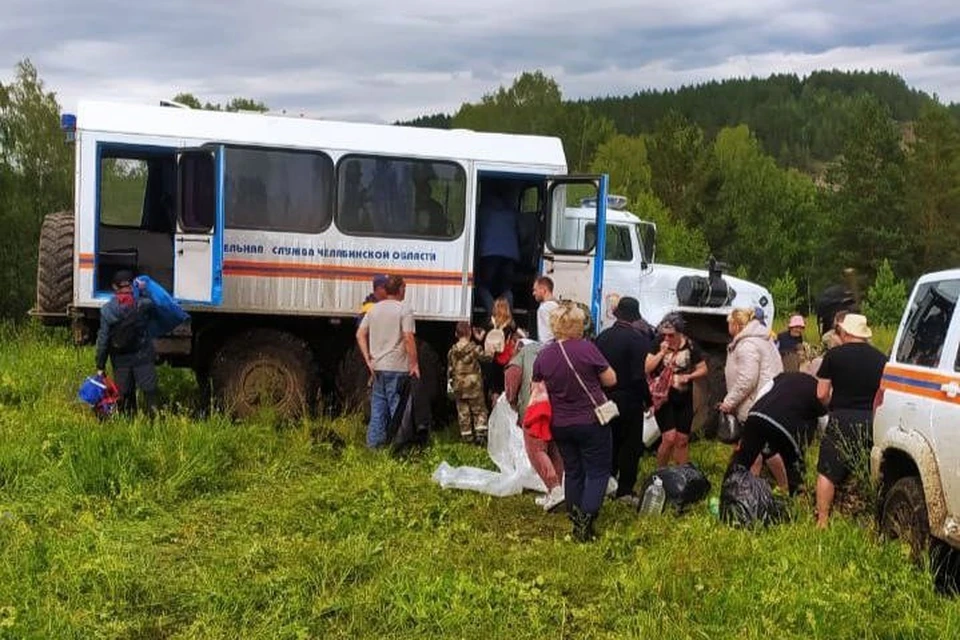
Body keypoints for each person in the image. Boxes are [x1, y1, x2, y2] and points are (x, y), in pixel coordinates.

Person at [533, 302, 617, 542]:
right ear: (579, 325)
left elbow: (537, 386)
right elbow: (611, 379)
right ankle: (585, 523)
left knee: (573, 471)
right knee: (597, 471)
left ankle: (575, 514)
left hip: (559, 423)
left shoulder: (545, 354)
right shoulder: (587, 348)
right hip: (591, 420)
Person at [814, 313, 887, 528]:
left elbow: (821, 393)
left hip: (841, 417)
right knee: (867, 469)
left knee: (827, 470)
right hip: (869, 419)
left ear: (845, 332)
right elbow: (882, 395)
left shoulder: (834, 355)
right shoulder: (881, 359)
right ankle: (869, 518)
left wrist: (831, 404)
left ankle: (823, 520)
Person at [727, 370, 827, 494]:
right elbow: (825, 423)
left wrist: (755, 415)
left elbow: (763, 392)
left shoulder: (784, 376)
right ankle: (793, 498)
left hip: (757, 415)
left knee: (743, 459)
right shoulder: (820, 391)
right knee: (794, 468)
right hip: (786, 428)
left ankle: (732, 494)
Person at [719, 307, 787, 488]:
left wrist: (728, 402)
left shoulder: (747, 345)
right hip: (768, 401)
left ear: (736, 324)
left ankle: (753, 489)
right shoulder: (765, 340)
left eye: (729, 324)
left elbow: (747, 379)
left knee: (757, 449)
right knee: (765, 449)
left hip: (755, 405)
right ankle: (774, 486)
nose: (728, 328)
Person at [594, 297, 653, 505]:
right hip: (630, 399)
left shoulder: (603, 337)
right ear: (635, 316)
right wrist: (648, 399)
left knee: (609, 440)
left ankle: (606, 482)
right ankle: (625, 489)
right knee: (630, 445)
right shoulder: (639, 340)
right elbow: (639, 375)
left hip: (605, 398)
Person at [357, 275, 419, 449]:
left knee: (378, 409)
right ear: (399, 289)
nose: (405, 291)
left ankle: (374, 446)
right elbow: (408, 338)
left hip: (378, 367)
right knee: (397, 408)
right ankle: (398, 447)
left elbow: (360, 334)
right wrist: (414, 364)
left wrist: (368, 359)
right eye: (404, 288)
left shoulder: (373, 310)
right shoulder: (404, 310)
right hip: (397, 367)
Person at [505, 338, 565, 512]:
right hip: (559, 409)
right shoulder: (556, 351)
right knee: (555, 451)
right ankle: (556, 491)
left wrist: (512, 400)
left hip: (535, 408)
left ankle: (554, 489)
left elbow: (512, 377)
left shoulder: (523, 354)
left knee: (536, 451)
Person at [646, 313, 708, 467]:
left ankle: (682, 474)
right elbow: (647, 367)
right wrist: (661, 353)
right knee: (669, 438)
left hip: (684, 395)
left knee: (682, 439)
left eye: (671, 335)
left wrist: (690, 376)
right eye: (664, 335)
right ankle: (660, 472)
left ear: (680, 333)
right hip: (664, 396)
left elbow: (704, 368)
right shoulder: (658, 343)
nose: (667, 338)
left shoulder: (690, 345)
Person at [95, 270, 159, 417]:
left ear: (114, 287)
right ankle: (156, 426)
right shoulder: (144, 305)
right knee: (150, 393)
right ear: (132, 285)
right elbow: (155, 306)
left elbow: (103, 340)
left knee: (124, 396)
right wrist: (143, 291)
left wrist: (100, 365)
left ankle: (129, 425)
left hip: (120, 360)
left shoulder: (107, 310)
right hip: (143, 357)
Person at [476, 182, 520, 318]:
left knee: (482, 286)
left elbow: (477, 234)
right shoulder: (511, 212)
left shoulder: (483, 211)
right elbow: (520, 232)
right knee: (506, 288)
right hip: (510, 256)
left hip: (489, 254)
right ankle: (507, 319)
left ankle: (494, 316)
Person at [447, 321, 489, 444]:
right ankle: (480, 436)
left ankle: (467, 438)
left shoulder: (452, 351)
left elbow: (450, 369)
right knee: (479, 410)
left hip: (459, 386)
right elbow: (487, 357)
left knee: (463, 412)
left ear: (456, 334)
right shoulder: (475, 349)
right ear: (470, 333)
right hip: (474, 386)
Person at [478, 297, 522, 405]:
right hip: (503, 359)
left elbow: (480, 337)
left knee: (493, 388)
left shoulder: (489, 321)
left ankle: (492, 409)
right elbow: (523, 335)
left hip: (490, 359)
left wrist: (475, 332)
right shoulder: (510, 323)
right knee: (502, 387)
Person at [533, 276, 559, 343]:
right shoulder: (557, 305)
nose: (533, 293)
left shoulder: (544, 308)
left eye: (535, 290)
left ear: (543, 290)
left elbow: (546, 337)